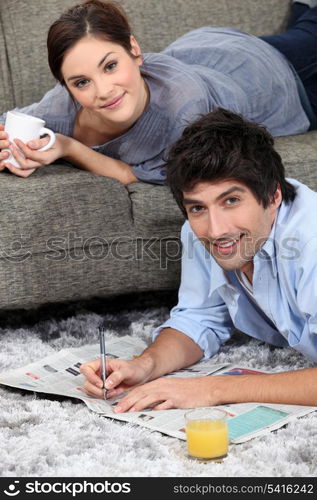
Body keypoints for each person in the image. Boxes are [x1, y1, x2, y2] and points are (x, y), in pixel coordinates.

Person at [80, 107, 317, 410]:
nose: (216, 230)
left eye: (231, 201)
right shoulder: (198, 232)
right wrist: (145, 366)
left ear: (272, 197)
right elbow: (198, 318)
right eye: (197, 208)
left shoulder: (310, 242)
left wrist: (213, 389)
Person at [0, 0, 317, 182]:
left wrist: (69, 147)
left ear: (134, 50)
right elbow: (8, 122)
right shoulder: (59, 107)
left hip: (268, 78)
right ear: (66, 86)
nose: (104, 90)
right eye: (81, 82)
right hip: (214, 59)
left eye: (110, 66)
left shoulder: (184, 113)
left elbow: (136, 175)